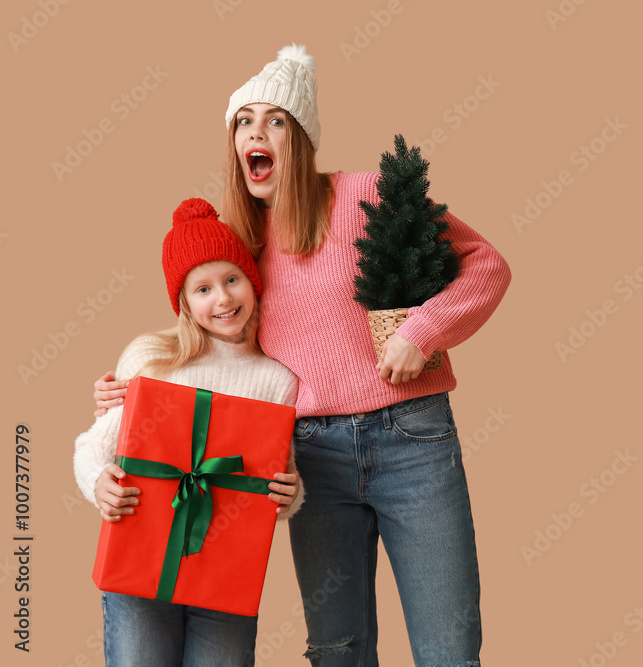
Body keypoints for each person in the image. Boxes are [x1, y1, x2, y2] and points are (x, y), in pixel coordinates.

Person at [96, 44, 511, 666]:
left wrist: (422, 331)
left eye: (275, 120)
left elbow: (486, 264)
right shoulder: (242, 241)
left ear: (303, 137)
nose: (255, 133)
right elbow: (209, 331)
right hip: (308, 456)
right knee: (337, 649)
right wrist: (136, 385)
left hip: (412, 440)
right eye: (243, 121)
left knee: (449, 648)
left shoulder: (369, 196)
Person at [77, 198, 303, 667]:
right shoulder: (151, 356)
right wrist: (98, 481)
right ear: (183, 300)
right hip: (141, 563)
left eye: (232, 280)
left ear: (252, 282)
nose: (222, 299)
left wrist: (290, 494)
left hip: (225, 576)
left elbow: (276, 481)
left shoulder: (278, 379)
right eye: (202, 288)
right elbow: (94, 445)